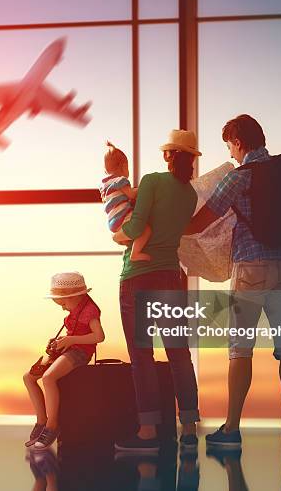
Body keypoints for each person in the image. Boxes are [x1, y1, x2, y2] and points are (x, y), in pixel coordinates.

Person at [185, 114, 281, 448]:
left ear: (238, 142)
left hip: (249, 271)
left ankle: (232, 428)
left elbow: (203, 219)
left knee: (240, 351)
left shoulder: (239, 177)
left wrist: (170, 230)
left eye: (230, 147)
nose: (231, 155)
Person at [112, 129, 202, 453]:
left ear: (168, 155)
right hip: (170, 279)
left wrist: (117, 236)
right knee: (179, 354)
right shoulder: (190, 195)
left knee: (142, 357)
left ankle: (148, 432)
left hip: (138, 277)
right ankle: (189, 428)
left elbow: (135, 228)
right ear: (190, 159)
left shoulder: (151, 181)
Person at [23, 271, 105, 450]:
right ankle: (41, 420)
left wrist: (71, 340)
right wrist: (59, 341)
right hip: (68, 349)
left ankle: (52, 426)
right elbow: (72, 333)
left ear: (77, 296)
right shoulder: (75, 310)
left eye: (64, 303)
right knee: (28, 377)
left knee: (48, 378)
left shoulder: (89, 310)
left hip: (80, 353)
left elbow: (99, 337)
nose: (63, 307)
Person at [100, 141, 152, 262]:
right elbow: (132, 194)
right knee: (147, 229)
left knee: (131, 238)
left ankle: (122, 240)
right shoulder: (120, 180)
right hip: (123, 219)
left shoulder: (105, 185)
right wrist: (144, 188)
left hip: (113, 224)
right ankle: (135, 253)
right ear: (123, 166)